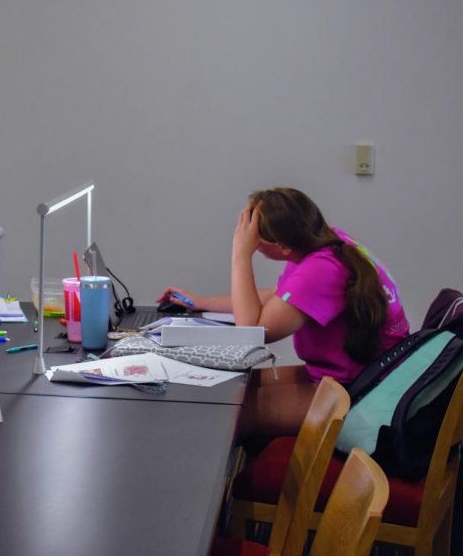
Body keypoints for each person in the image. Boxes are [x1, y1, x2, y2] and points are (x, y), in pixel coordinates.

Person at [157, 187, 409, 439]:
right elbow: (278, 299)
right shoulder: (327, 244)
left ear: (282, 246)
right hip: (356, 375)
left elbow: (251, 331)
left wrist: (240, 256)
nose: (248, 239)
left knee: (221, 414)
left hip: (362, 392)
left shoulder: (321, 269)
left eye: (255, 238)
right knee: (227, 388)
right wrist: (202, 302)